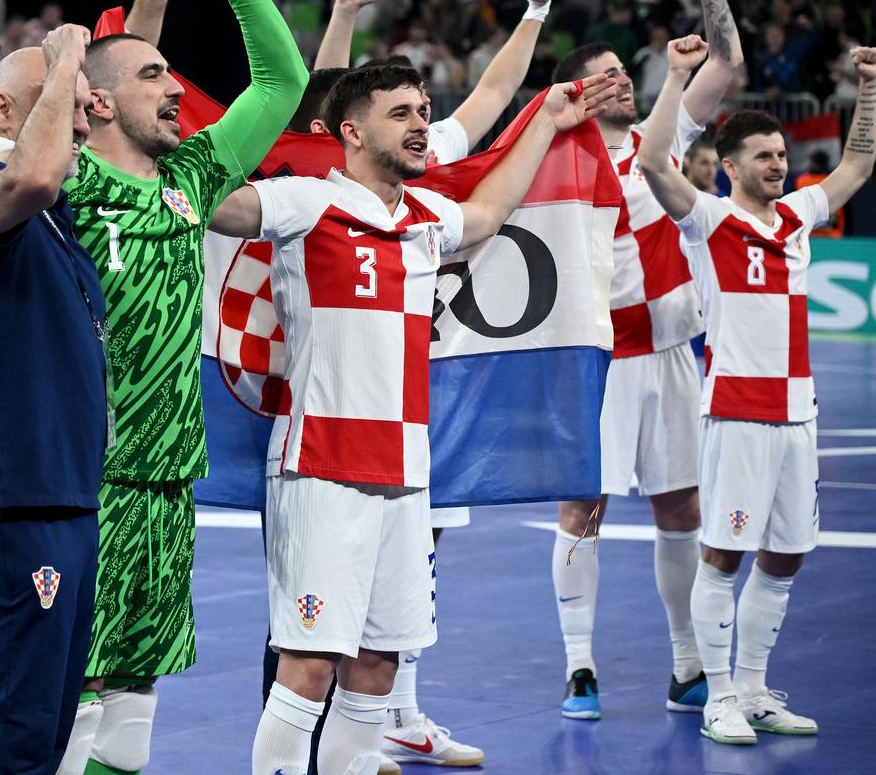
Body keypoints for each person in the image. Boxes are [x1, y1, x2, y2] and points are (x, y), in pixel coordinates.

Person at [210, 59, 615, 775]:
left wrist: (546, 119)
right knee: (308, 665)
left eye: (425, 109)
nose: (422, 122)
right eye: (401, 112)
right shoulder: (304, 202)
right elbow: (219, 208)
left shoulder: (428, 217)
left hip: (404, 472)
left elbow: (489, 214)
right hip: (320, 465)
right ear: (352, 132)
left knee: (375, 662)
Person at [59, 0, 308, 775]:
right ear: (95, 104)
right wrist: (142, 7)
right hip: (86, 480)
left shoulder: (193, 179)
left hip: (168, 483)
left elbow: (282, 81)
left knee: (135, 685)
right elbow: (94, 83)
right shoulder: (66, 179)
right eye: (156, 75)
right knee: (72, 689)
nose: (176, 87)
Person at [638, 40, 876, 745]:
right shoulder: (709, 220)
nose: (779, 164)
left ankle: (753, 687)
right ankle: (717, 697)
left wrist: (867, 86)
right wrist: (678, 77)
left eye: (782, 154)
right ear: (733, 164)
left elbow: (858, 164)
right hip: (738, 411)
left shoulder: (800, 216)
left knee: (787, 554)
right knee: (724, 552)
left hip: (797, 413)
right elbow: (654, 161)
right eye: (765, 156)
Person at [549, 0, 741, 721]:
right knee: (581, 508)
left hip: (668, 352)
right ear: (578, 93)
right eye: (608, 75)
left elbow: (728, 67)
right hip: (595, 359)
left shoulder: (659, 145)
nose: (624, 80)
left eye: (627, 71)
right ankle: (579, 666)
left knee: (681, 509)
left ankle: (688, 663)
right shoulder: (554, 155)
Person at [0, 26, 106, 775]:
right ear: (2, 109)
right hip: (10, 515)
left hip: (62, 506)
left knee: (43, 736)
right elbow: (31, 177)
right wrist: (67, 55)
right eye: (59, 100)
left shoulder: (55, 220)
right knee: (8, 746)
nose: (81, 114)